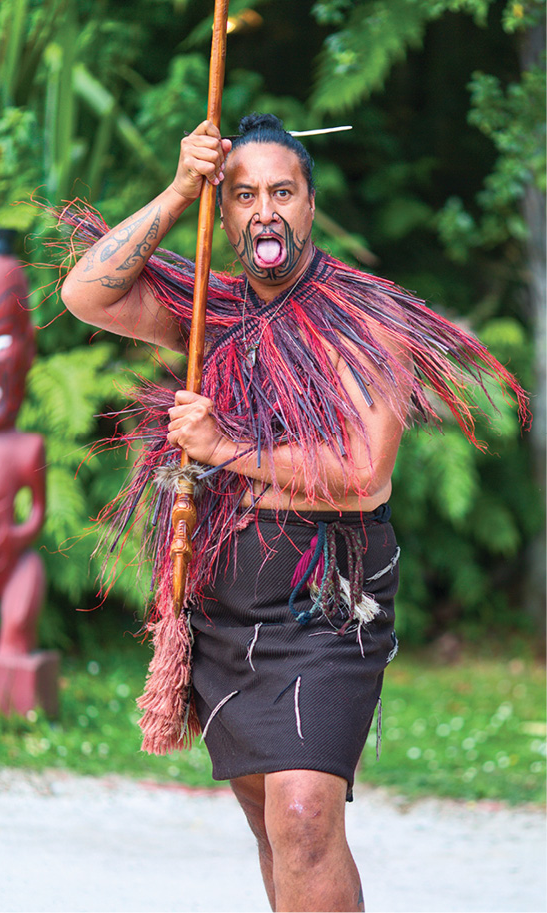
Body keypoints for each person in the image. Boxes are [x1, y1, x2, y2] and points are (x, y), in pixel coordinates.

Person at [60, 114, 528, 913]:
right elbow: (85, 292)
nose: (264, 209)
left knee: (305, 814)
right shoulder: (210, 307)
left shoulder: (364, 321)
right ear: (228, 212)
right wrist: (180, 189)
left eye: (282, 191)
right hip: (222, 609)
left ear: (310, 207)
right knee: (272, 823)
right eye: (243, 195)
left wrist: (223, 449)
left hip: (326, 605)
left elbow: (360, 475)